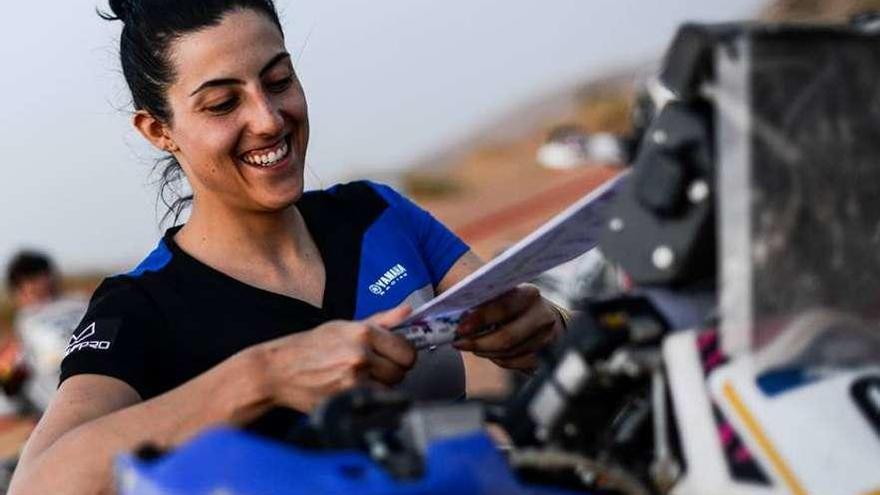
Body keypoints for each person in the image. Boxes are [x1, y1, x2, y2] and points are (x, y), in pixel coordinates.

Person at [9, 1, 567, 493]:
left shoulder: (378, 213)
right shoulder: (139, 309)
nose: (269, 119)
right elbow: (40, 484)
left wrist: (546, 332)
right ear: (159, 130)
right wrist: (264, 376)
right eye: (223, 104)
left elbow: (532, 329)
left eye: (278, 81)